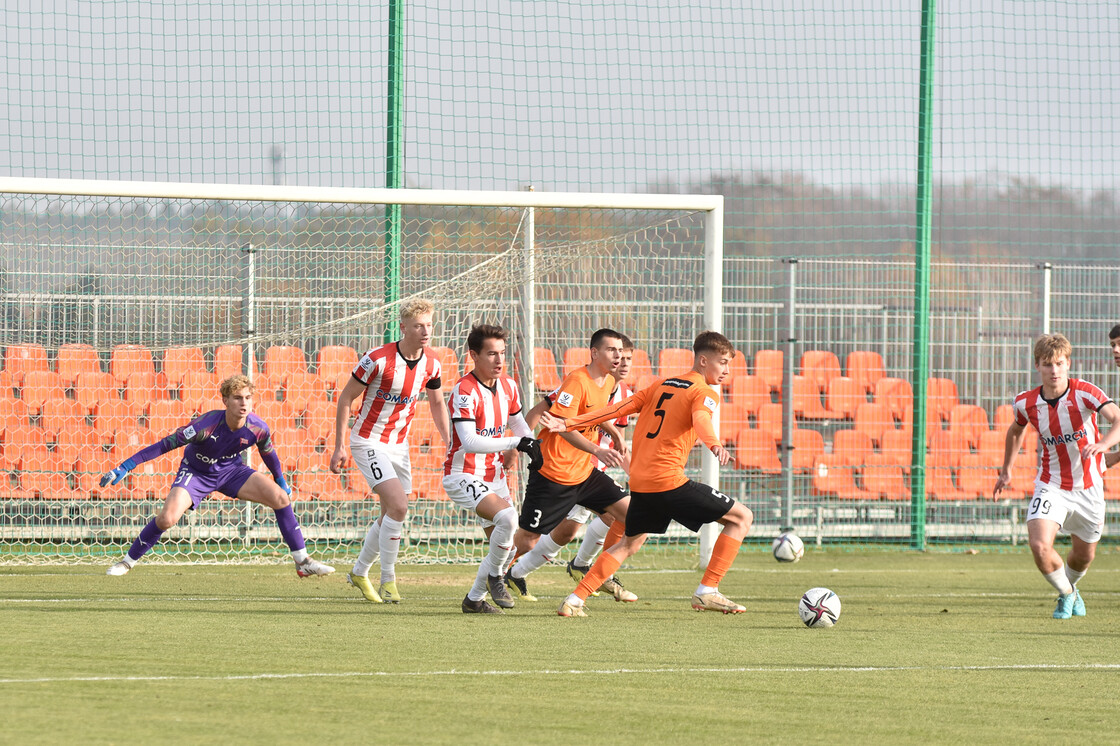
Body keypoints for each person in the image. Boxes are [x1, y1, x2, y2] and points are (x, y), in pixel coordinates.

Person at [539, 331, 753, 617]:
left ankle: (575, 600)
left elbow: (615, 409)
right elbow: (702, 418)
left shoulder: (661, 384)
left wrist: (568, 423)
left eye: (729, 364)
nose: (727, 370)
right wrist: (714, 444)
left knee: (630, 542)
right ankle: (707, 590)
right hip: (668, 481)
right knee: (741, 518)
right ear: (704, 361)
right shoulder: (704, 391)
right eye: (723, 362)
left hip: (641, 481)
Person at [102, 374, 334, 578]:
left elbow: (268, 454)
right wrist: (126, 466)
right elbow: (165, 445)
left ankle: (303, 563)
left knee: (281, 498)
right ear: (225, 401)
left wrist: (280, 480)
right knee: (167, 519)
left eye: (247, 398)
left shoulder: (258, 428)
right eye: (237, 398)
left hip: (231, 471)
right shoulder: (206, 425)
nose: (243, 403)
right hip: (196, 473)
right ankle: (127, 562)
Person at [330, 298, 450, 604]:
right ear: (403, 327)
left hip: (399, 445)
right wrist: (340, 445)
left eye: (429, 325)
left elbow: (437, 404)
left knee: (389, 515)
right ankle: (389, 580)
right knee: (398, 506)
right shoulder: (377, 359)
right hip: (368, 441)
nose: (425, 332)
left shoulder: (433, 363)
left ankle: (359, 572)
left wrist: (451, 443)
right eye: (418, 326)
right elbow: (345, 398)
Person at [994, 333, 1120, 619]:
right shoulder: (1026, 403)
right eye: (1048, 364)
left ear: (1068, 364)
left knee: (1083, 556)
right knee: (1039, 545)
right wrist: (1006, 470)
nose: (1054, 370)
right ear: (1037, 365)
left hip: (1089, 489)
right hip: (1051, 485)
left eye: (1059, 364)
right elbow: (1015, 430)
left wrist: (1104, 445)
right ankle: (1067, 594)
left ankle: (1070, 587)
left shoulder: (1085, 392)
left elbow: (1117, 418)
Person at [502, 329, 633, 604]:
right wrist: (598, 448)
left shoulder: (608, 382)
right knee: (527, 540)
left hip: (585, 474)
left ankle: (590, 572)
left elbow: (594, 414)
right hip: (554, 475)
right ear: (594, 353)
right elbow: (562, 427)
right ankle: (495, 573)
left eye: (621, 351)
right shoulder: (576, 381)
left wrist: (616, 432)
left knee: (634, 516)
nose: (618, 356)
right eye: (612, 350)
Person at [442, 323, 542, 614]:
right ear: (473, 355)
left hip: (494, 476)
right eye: (491, 354)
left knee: (509, 547)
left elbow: (519, 424)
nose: (499, 361)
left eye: (502, 353)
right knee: (509, 519)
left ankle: (473, 600)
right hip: (462, 474)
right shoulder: (464, 391)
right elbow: (470, 442)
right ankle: (496, 578)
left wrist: (533, 444)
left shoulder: (509, 386)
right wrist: (518, 443)